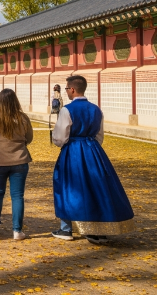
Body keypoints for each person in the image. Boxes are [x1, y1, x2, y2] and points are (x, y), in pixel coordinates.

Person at [51, 75, 134, 244]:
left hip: (73, 151)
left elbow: (60, 138)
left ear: (72, 90)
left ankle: (66, 229)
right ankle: (99, 229)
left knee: (67, 186)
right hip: (93, 151)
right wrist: (91, 147)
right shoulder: (96, 109)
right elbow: (99, 135)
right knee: (98, 186)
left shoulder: (67, 110)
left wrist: (62, 142)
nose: (66, 92)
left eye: (67, 89)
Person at [0, 88, 33, 240]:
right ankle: (17, 230)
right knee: (17, 196)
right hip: (20, 159)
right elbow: (29, 138)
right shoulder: (23, 118)